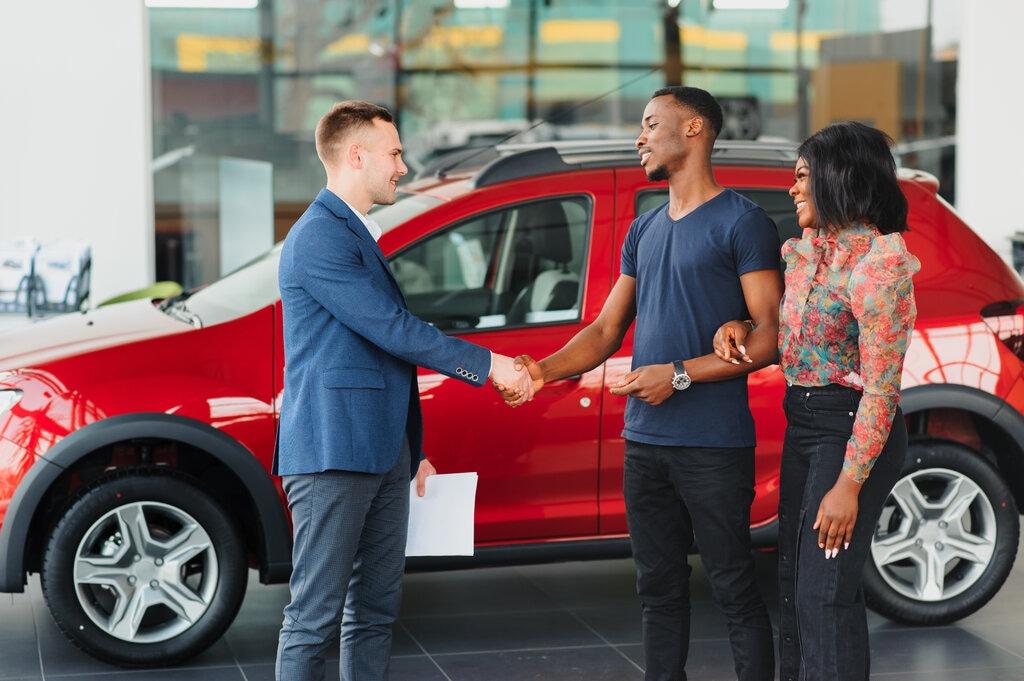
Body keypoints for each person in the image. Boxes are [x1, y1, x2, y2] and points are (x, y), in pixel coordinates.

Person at [504, 86, 782, 681]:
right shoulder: (645, 230)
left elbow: (767, 338)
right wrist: (541, 369)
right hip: (646, 444)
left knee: (734, 587)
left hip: (712, 445)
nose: (640, 137)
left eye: (652, 123)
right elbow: (605, 329)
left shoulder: (743, 221)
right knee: (657, 589)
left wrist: (679, 376)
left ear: (695, 129)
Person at [273, 100, 532, 681]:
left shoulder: (356, 232)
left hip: (380, 452)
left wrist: (408, 450)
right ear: (356, 155)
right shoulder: (320, 236)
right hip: (332, 454)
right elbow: (392, 331)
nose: (403, 167)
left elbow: (379, 351)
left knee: (374, 611)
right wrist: (491, 365)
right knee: (312, 619)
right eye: (394, 153)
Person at [714, 121, 920, 681]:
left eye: (802, 176)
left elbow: (882, 388)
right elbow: (789, 336)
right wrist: (736, 323)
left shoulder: (880, 265)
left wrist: (849, 486)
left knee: (822, 595)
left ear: (838, 178)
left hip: (851, 430)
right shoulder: (806, 253)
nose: (792, 189)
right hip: (804, 423)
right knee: (806, 590)